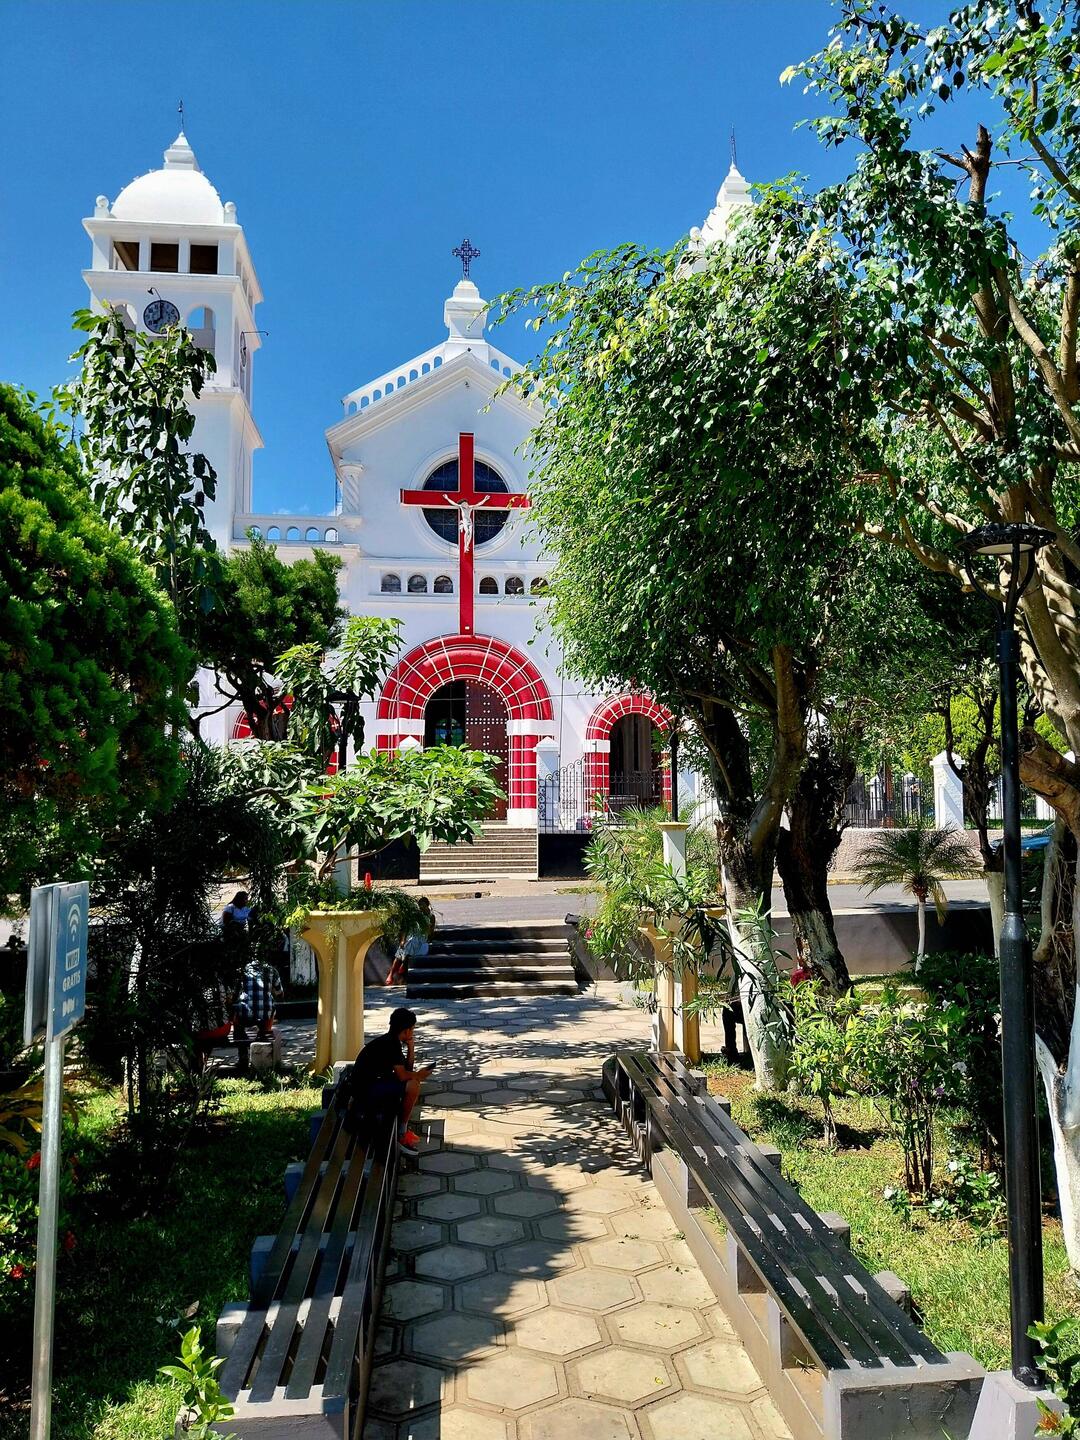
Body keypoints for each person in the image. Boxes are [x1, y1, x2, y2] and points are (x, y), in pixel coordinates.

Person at [345, 1007, 433, 1155]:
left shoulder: (392, 1041)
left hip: (373, 1083)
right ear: (406, 1031)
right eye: (412, 1029)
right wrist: (419, 1075)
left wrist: (411, 1048)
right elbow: (404, 1076)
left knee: (413, 1082)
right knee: (412, 1086)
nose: (413, 1032)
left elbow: (407, 1069)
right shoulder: (390, 1044)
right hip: (365, 1089)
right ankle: (401, 1132)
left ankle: (402, 1128)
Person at [232, 954, 283, 1042]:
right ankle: (265, 1031)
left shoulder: (243, 970)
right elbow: (280, 993)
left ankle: (240, 1036)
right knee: (272, 1006)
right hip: (265, 1015)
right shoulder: (272, 970)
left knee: (237, 1007)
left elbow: (234, 995)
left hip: (245, 1015)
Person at [385, 898, 436, 986]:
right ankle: (397, 969)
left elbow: (431, 931)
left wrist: (429, 934)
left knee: (411, 942)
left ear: (427, 905)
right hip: (412, 934)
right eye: (419, 906)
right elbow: (406, 928)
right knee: (405, 945)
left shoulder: (431, 916)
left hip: (422, 936)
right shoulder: (416, 915)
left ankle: (397, 970)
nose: (421, 908)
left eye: (423, 905)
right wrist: (402, 940)